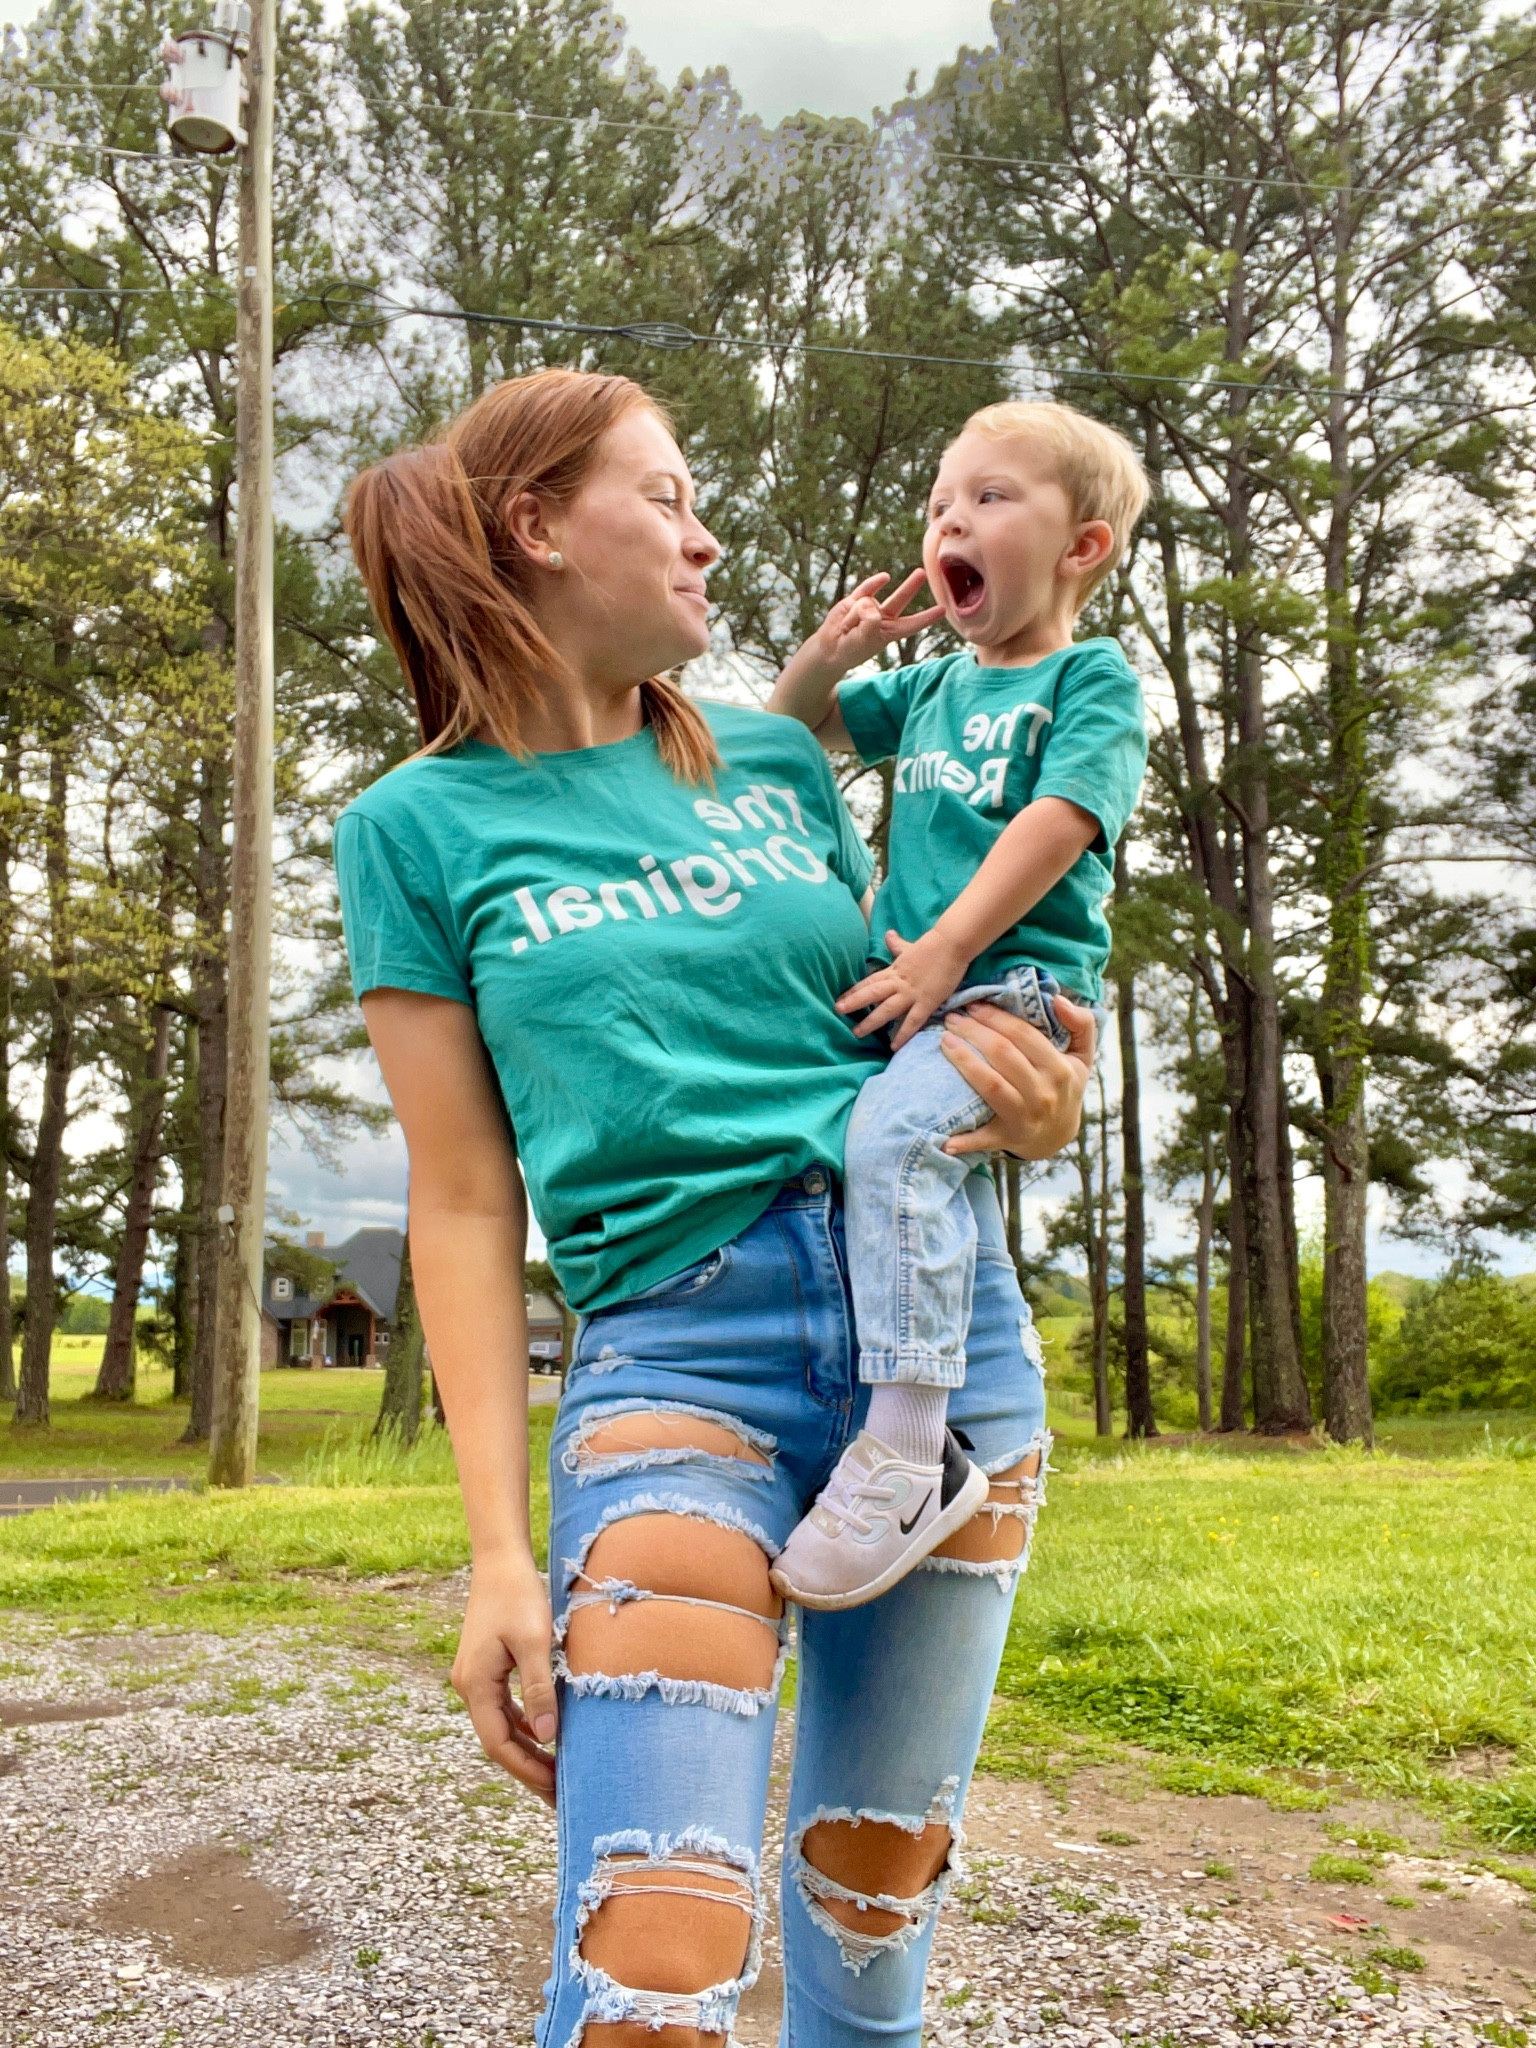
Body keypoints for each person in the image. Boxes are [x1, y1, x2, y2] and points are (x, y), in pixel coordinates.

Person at [335, 366, 1096, 2048]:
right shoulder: (413, 827)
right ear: (536, 527)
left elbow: (913, 1026)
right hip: (683, 1367)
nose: (707, 532)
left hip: (946, 1356)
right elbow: (460, 1202)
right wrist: (492, 1558)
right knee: (650, 1976)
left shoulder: (776, 762)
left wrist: (1033, 1099)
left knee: (868, 1920)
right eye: (668, 496)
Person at [767, 401, 1149, 1610]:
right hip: (924, 979)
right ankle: (871, 1407)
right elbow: (795, 736)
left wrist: (940, 951)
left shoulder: (1091, 681)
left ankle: (913, 1447)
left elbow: (1057, 826)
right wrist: (833, 653)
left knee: (893, 1140)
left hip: (1009, 988)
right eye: (940, 505)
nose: (949, 522)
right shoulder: (930, 687)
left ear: (1080, 545)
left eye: (988, 498)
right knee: (859, 1144)